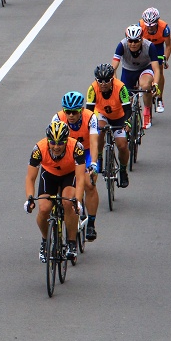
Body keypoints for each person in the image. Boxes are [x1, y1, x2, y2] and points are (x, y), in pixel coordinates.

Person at [24, 121, 86, 263]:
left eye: (60, 143)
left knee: (68, 202)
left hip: (69, 175)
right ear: (47, 140)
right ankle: (45, 241)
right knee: (44, 208)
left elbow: (81, 177)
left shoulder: (77, 147)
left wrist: (77, 199)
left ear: (66, 140)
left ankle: (71, 243)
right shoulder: (39, 149)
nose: (56, 147)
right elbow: (30, 177)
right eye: (52, 142)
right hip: (49, 175)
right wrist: (29, 198)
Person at [53, 91, 99, 242]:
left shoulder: (90, 117)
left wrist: (93, 163)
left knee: (88, 183)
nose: (70, 115)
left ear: (81, 110)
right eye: (68, 111)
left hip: (85, 153)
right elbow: (52, 143)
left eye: (74, 112)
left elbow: (93, 142)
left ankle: (91, 222)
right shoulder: (58, 118)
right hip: (67, 154)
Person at [85, 63, 132, 188]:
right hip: (102, 114)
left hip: (119, 117)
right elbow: (88, 112)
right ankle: (99, 156)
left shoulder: (121, 88)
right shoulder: (92, 89)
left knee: (122, 145)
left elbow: (128, 109)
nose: (103, 83)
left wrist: (127, 122)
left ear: (112, 79)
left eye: (107, 80)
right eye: (100, 81)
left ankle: (122, 170)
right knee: (99, 130)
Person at [112, 24, 162, 129]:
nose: (133, 44)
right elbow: (113, 68)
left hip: (145, 69)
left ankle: (147, 112)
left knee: (145, 86)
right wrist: (115, 84)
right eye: (130, 41)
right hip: (128, 71)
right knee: (125, 98)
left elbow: (157, 69)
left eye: (136, 41)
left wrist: (156, 84)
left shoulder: (149, 46)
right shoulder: (121, 45)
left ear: (142, 39)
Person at [139, 7, 171, 113]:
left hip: (158, 47)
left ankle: (159, 99)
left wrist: (165, 58)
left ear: (157, 22)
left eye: (152, 26)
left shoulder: (164, 28)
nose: (149, 28)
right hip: (145, 46)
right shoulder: (140, 26)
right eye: (147, 26)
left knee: (159, 69)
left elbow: (168, 46)